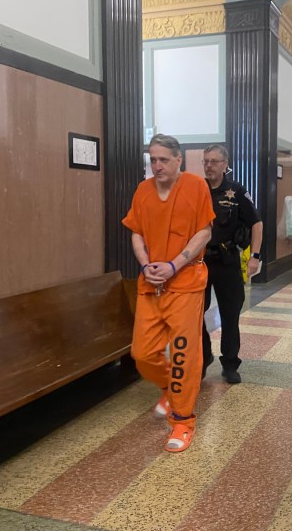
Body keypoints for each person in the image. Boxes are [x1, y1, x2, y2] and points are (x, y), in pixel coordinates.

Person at [122, 133, 215, 453]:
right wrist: (147, 264)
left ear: (179, 160)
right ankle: (168, 389)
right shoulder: (142, 191)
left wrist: (175, 264)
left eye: (163, 159)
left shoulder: (196, 186)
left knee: (182, 353)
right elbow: (136, 233)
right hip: (152, 284)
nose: (157, 165)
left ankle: (183, 420)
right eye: (152, 160)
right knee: (142, 353)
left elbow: (205, 231)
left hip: (186, 282)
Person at [200, 145, 263, 384]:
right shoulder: (196, 189)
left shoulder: (236, 192)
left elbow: (256, 223)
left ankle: (230, 363)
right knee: (196, 314)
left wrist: (255, 255)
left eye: (214, 161)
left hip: (227, 261)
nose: (209, 166)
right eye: (205, 161)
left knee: (230, 314)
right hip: (200, 262)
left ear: (225, 164)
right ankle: (203, 357)